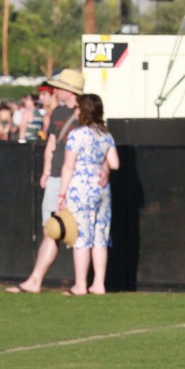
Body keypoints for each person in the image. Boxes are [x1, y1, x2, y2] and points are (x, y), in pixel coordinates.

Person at [5, 69, 88, 294]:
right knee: (51, 229)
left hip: (75, 179)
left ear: (69, 91)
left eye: (59, 87)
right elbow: (52, 144)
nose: (55, 91)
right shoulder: (58, 112)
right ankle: (35, 280)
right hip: (55, 178)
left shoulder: (84, 115)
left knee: (79, 232)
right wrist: (46, 171)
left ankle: (81, 284)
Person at [58, 93, 118, 295]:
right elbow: (115, 163)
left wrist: (62, 194)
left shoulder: (77, 134)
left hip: (81, 188)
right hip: (102, 190)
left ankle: (80, 284)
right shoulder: (105, 135)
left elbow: (68, 166)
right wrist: (103, 167)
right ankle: (99, 284)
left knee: (81, 238)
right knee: (100, 237)